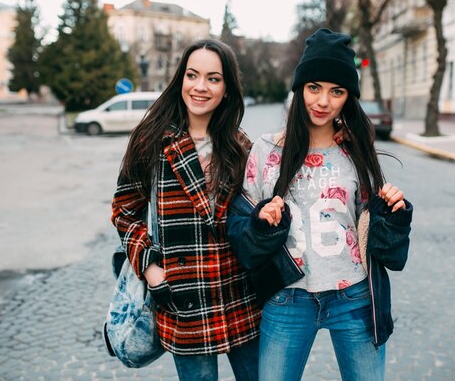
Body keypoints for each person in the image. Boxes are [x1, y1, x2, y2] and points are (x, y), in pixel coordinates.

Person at [226, 28, 414, 381]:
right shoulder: (267, 151)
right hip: (288, 298)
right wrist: (260, 222)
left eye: (336, 91)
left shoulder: (355, 149)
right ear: (300, 89)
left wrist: (393, 212)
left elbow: (371, 229)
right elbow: (240, 229)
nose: (323, 101)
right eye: (314, 87)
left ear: (347, 98)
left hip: (354, 296)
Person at [111, 38, 261, 381]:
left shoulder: (241, 146)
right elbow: (124, 212)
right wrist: (150, 268)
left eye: (213, 78)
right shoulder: (152, 140)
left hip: (240, 295)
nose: (200, 87)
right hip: (183, 300)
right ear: (181, 79)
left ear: (227, 88)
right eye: (192, 75)